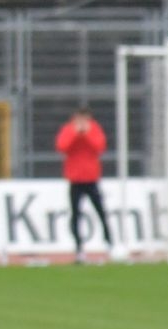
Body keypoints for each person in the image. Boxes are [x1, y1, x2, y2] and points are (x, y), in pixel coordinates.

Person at [55, 106, 116, 264]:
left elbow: (99, 147)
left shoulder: (94, 129)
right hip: (75, 180)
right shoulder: (69, 130)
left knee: (101, 212)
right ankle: (79, 249)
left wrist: (86, 134)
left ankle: (110, 243)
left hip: (91, 178)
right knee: (76, 214)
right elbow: (62, 146)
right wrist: (76, 134)